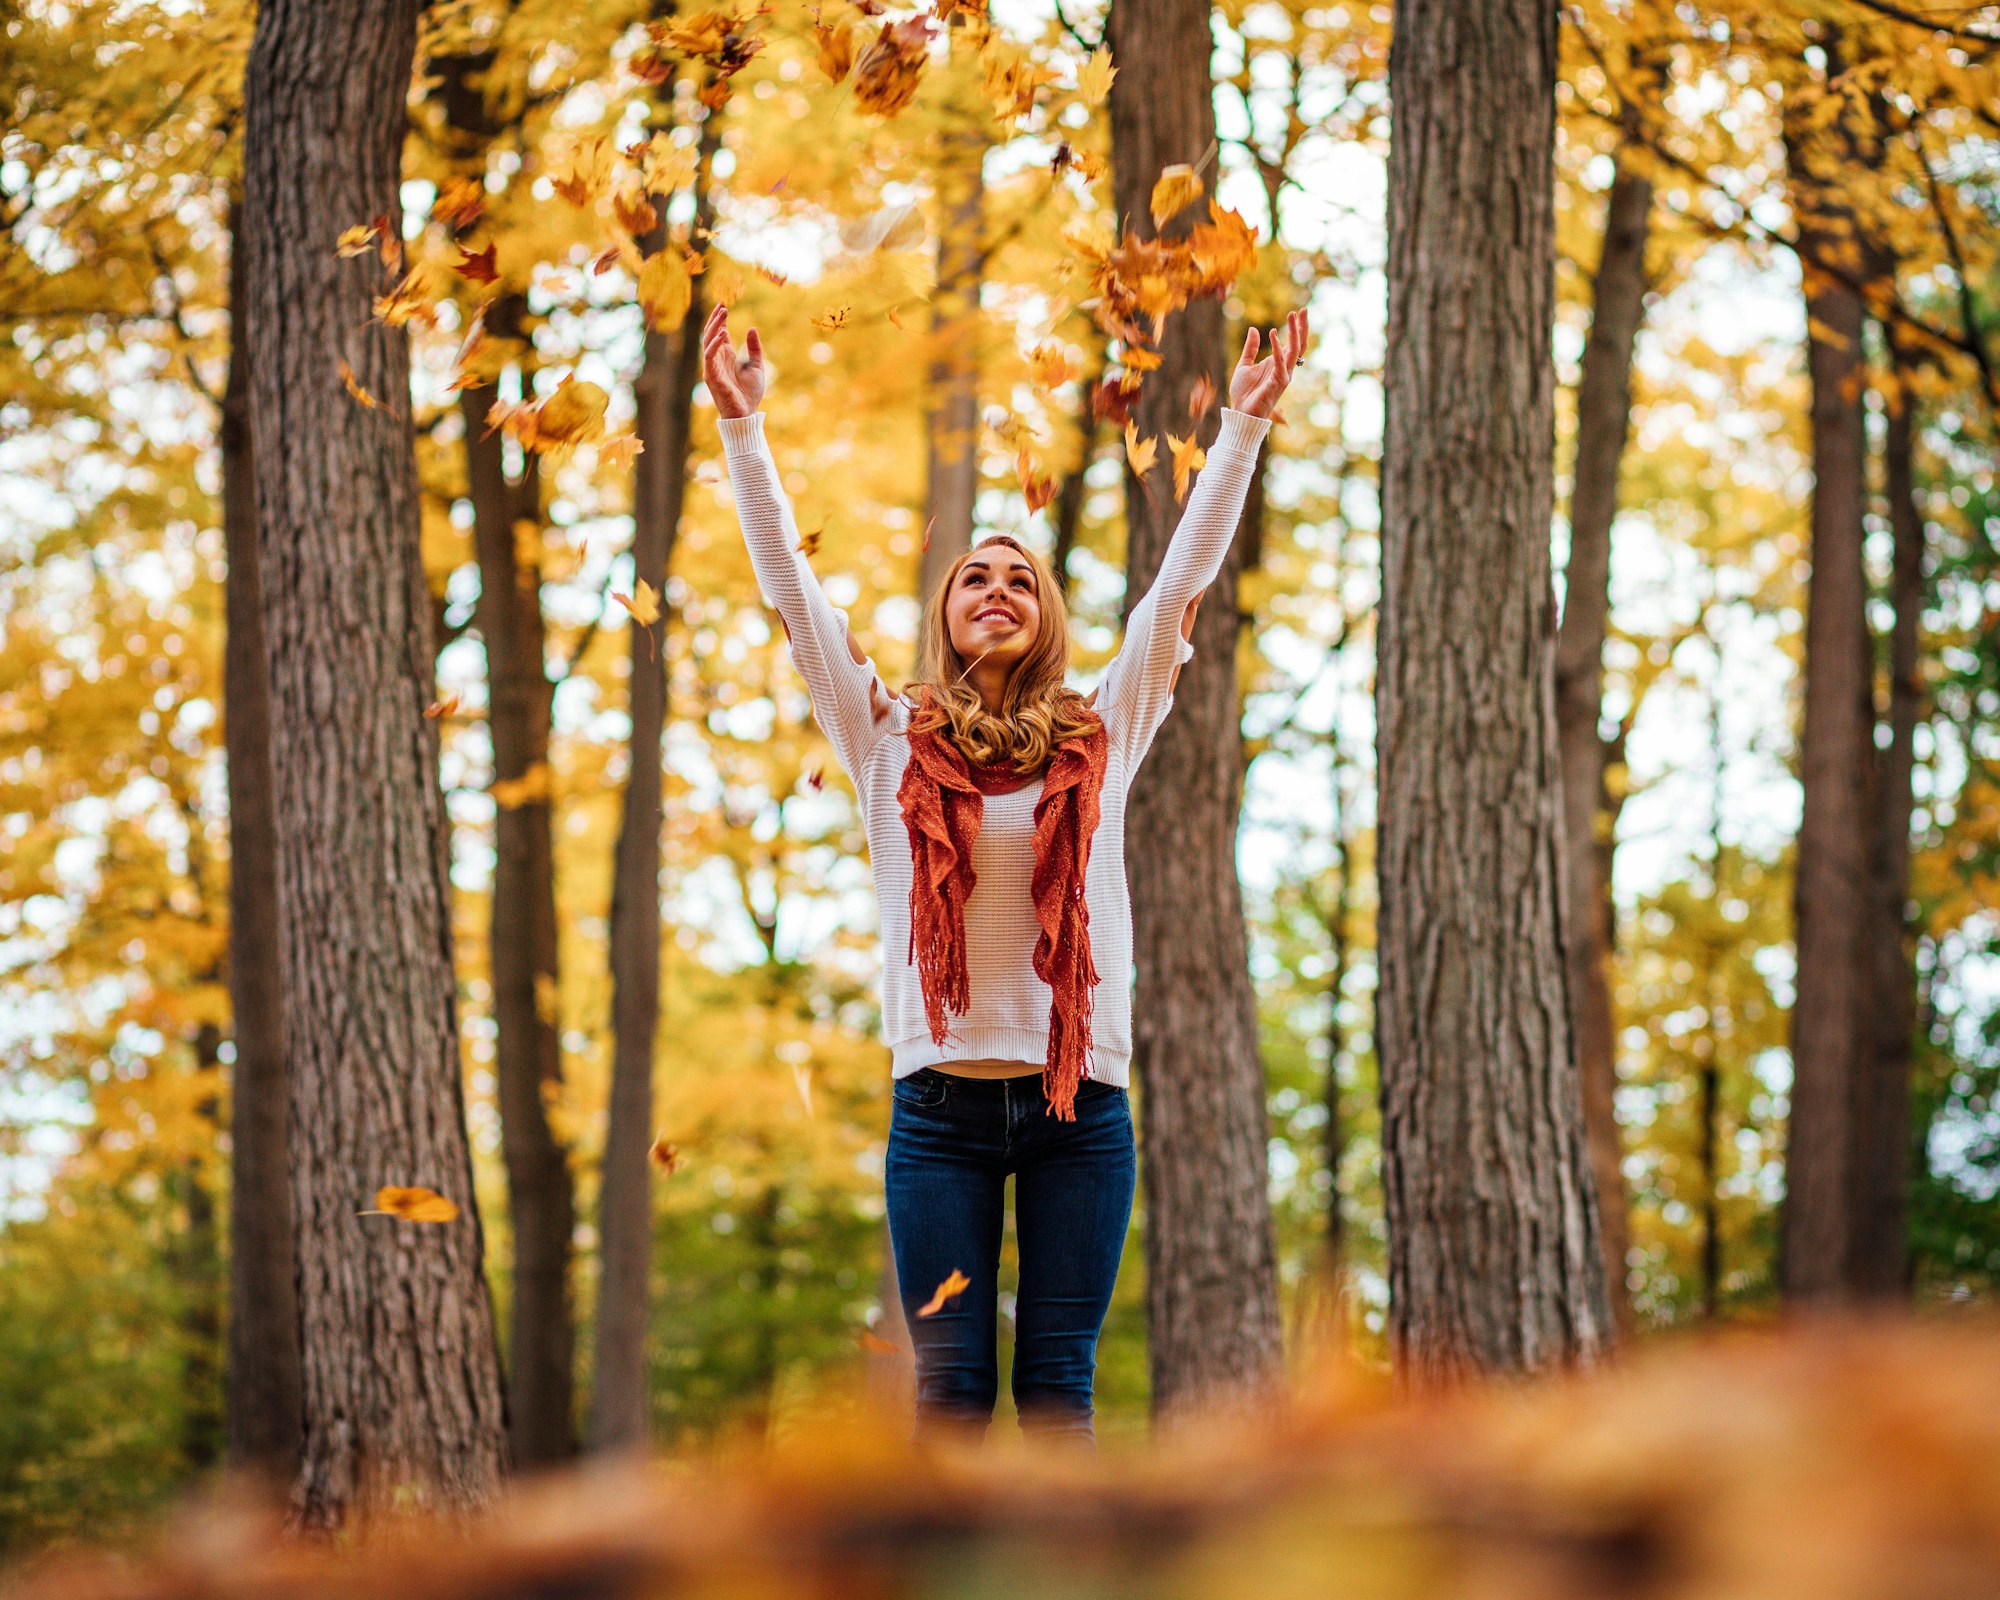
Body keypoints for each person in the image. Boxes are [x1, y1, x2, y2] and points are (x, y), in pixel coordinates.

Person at [702, 300, 1307, 1449]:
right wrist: (743, 430)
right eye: (974, 576)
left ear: (1044, 621)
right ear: (944, 613)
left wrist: (1240, 425)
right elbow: (792, 593)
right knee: (950, 1396)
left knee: (1057, 1388)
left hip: (1082, 1111)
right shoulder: (881, 735)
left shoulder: (1104, 731)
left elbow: (1173, 592)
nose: (995, 588)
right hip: (936, 1111)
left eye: (1019, 581)